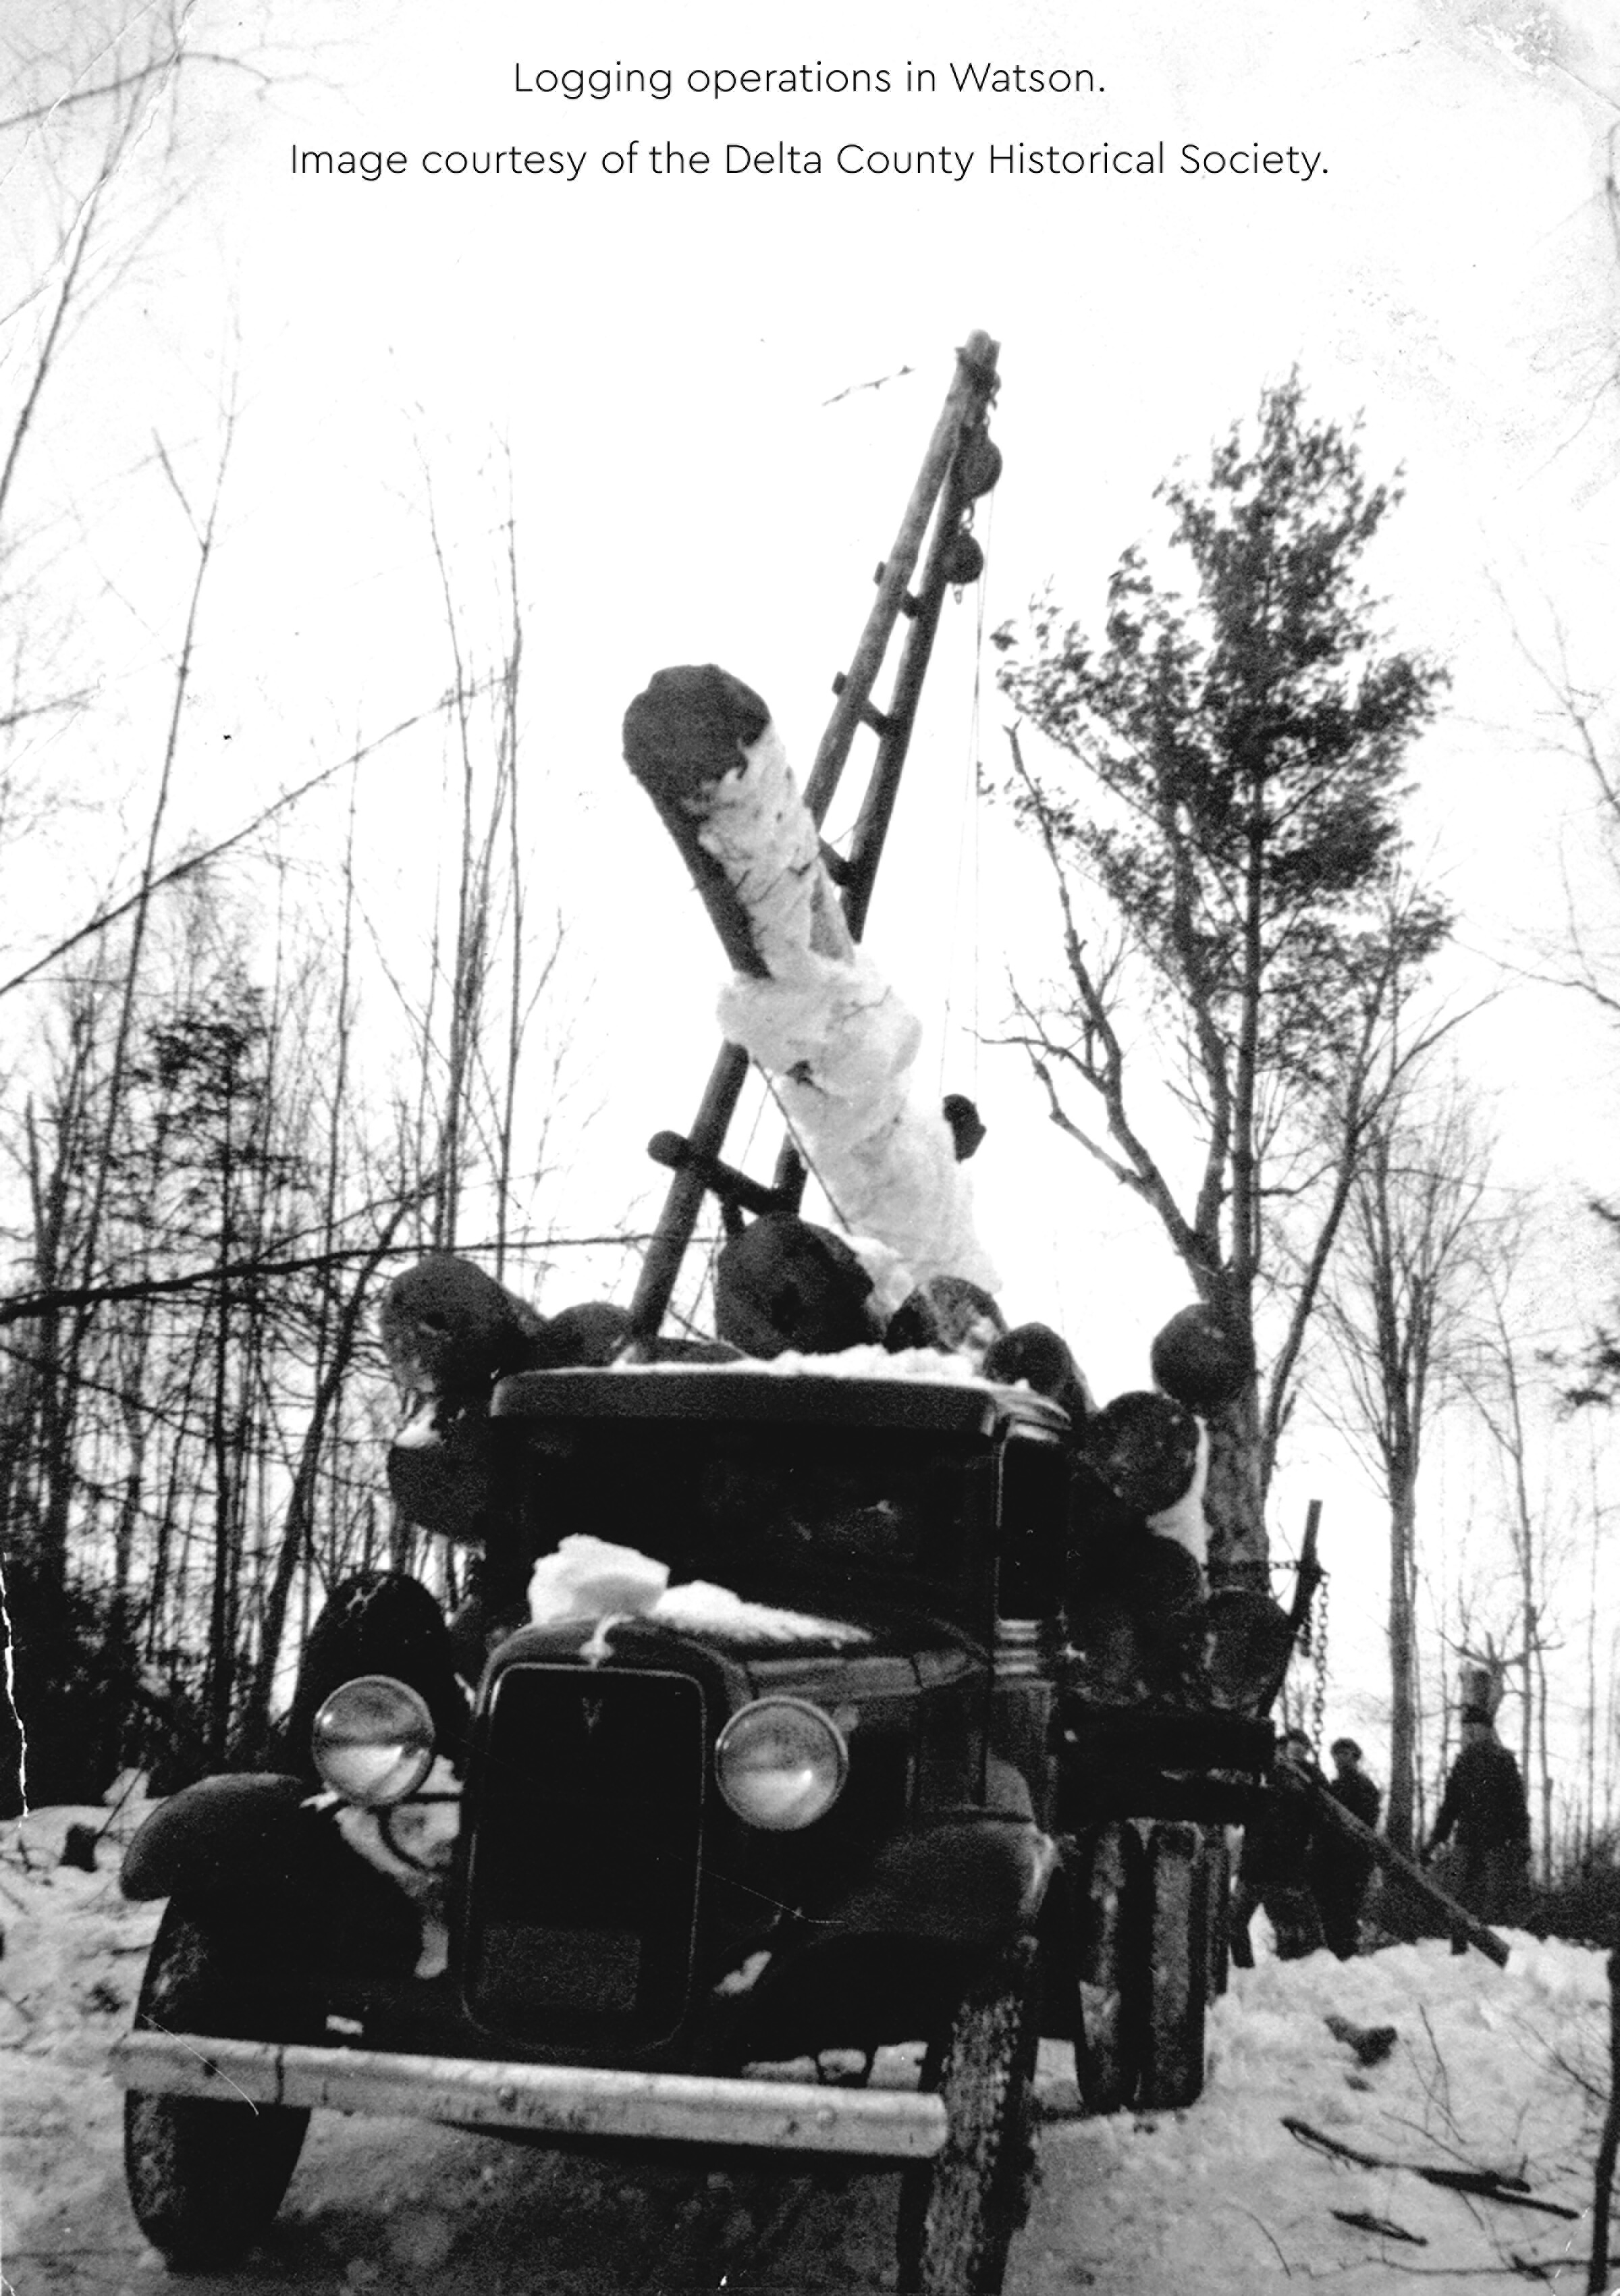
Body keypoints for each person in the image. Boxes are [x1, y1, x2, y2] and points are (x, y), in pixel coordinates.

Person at [1423, 1708, 1531, 1924]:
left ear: (1488, 1729)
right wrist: (1435, 1840)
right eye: (1467, 1727)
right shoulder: (1463, 1762)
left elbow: (1516, 1804)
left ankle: (1491, 1944)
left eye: (1476, 1726)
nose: (1471, 1732)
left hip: (1496, 1839)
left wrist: (1521, 1839)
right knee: (1456, 1891)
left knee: (1495, 1894)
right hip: (1466, 1837)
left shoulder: (1503, 1760)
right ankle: (1458, 1943)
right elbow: (1450, 1806)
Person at [1229, 1728, 1326, 1965]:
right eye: (1283, 1748)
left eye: (1296, 1746)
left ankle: (1288, 1978)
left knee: (1288, 1930)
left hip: (1282, 1868)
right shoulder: (1262, 1775)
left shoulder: (1308, 1777)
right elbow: (1239, 1813)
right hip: (1257, 1864)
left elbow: (1318, 1811)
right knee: (1235, 1922)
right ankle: (1248, 1972)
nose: (1287, 1752)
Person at [1311, 1737, 1382, 1959]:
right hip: (1331, 1860)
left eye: (1346, 1753)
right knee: (1331, 1910)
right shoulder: (1332, 1788)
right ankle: (1339, 1954)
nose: (1341, 1758)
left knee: (1345, 1910)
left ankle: (1346, 1955)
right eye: (1337, 1754)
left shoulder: (1365, 1787)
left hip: (1352, 1861)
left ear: (1355, 1756)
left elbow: (1365, 1823)